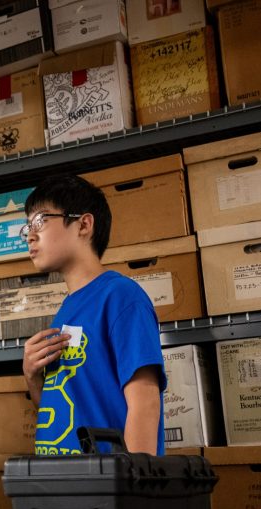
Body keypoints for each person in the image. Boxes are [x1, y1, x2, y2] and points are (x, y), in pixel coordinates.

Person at [20, 174, 165, 456]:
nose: (31, 235)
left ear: (83, 225)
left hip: (108, 490)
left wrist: (132, 489)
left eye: (40, 222)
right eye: (27, 228)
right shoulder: (66, 310)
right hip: (65, 485)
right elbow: (62, 409)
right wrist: (32, 377)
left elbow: (145, 403)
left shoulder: (121, 297)